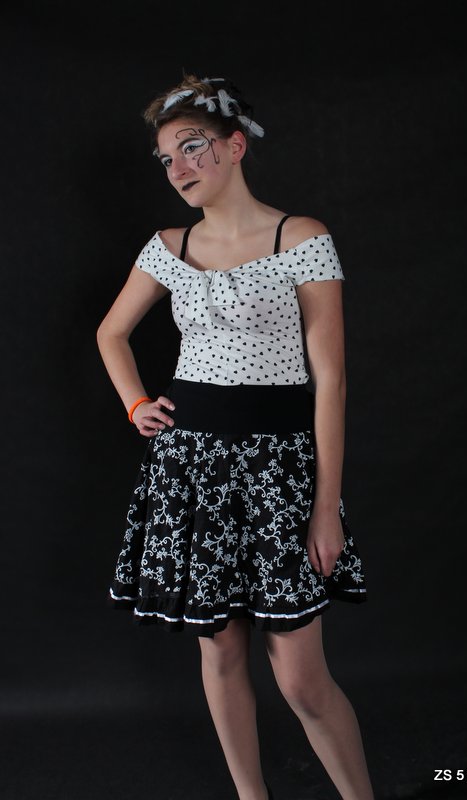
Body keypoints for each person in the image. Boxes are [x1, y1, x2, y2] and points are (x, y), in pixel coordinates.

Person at [96, 73, 375, 800]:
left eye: (192, 148)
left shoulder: (301, 238)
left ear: (235, 146)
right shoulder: (168, 245)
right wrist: (136, 404)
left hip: (278, 467)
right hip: (192, 468)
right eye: (166, 158)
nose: (178, 168)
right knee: (219, 653)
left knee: (301, 678)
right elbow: (110, 333)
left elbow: (332, 382)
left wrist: (324, 508)